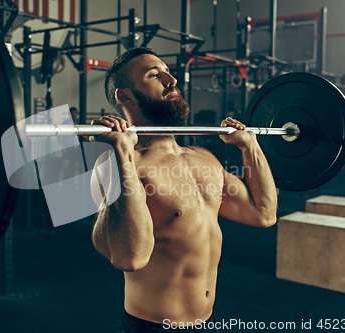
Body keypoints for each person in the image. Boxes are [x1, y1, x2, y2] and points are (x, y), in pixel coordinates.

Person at [90, 47, 278, 333]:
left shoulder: (203, 158)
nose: (171, 80)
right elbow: (130, 257)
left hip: (208, 321)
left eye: (168, 71)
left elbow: (264, 213)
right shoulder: (123, 164)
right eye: (154, 74)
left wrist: (250, 145)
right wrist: (120, 154)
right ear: (125, 95)